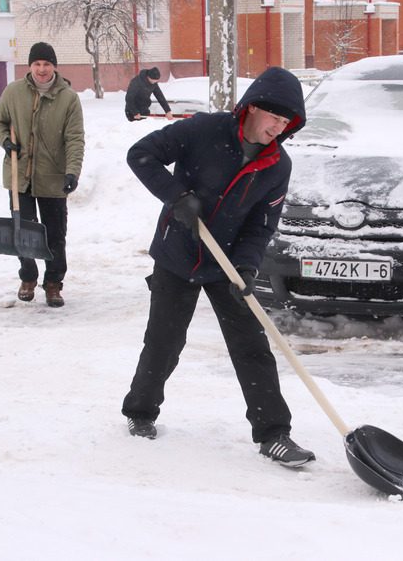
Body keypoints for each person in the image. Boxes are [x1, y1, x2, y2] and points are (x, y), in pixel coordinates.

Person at [121, 66, 315, 467]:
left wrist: (246, 268)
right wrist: (177, 197)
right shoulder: (203, 131)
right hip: (177, 255)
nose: (278, 128)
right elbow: (141, 155)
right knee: (164, 341)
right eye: (274, 118)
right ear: (253, 109)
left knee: (252, 346)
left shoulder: (277, 165)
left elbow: (262, 225)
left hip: (227, 261)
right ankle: (140, 412)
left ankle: (274, 434)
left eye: (286, 123)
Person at [0, 42, 85, 307]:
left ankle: (53, 283)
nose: (41, 69)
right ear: (30, 66)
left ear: (54, 66)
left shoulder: (68, 98)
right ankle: (28, 277)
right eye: (37, 64)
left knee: (55, 235)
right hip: (20, 176)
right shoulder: (14, 92)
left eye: (46, 64)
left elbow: (75, 139)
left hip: (53, 178)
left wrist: (72, 172)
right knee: (23, 231)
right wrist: (5, 141)